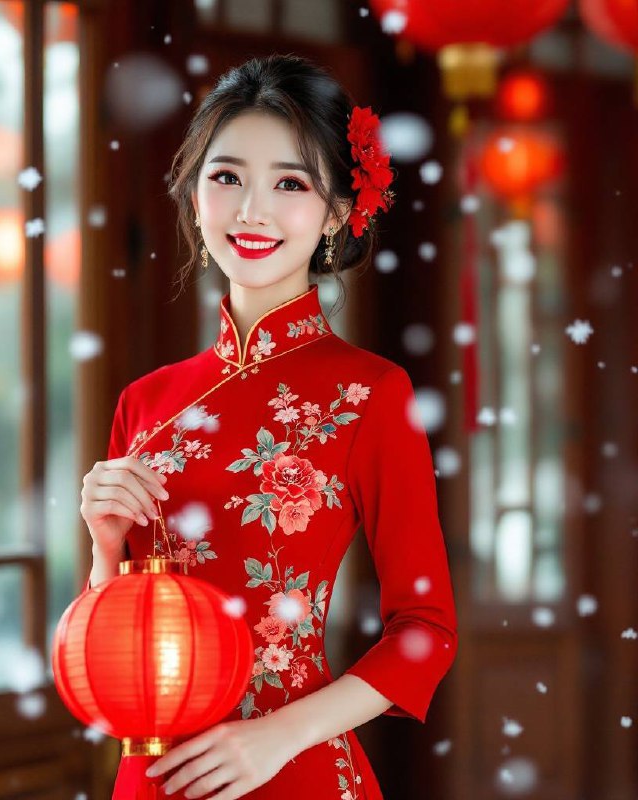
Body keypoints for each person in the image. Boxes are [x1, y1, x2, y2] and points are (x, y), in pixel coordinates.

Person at [79, 53, 458, 800]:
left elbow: (426, 633)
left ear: (338, 214)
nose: (252, 210)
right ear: (194, 197)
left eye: (291, 183)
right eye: (227, 177)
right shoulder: (145, 402)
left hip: (295, 767)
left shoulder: (371, 394)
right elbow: (110, 649)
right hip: (156, 770)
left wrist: (276, 738)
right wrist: (103, 551)